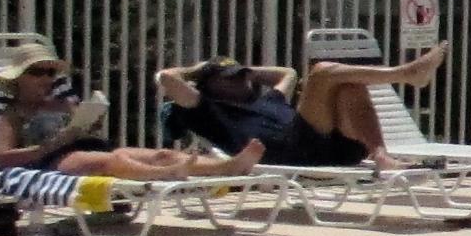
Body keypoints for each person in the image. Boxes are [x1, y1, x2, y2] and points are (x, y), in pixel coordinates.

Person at [156, 43, 447, 171]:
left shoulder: (267, 100)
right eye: (231, 79)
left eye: (242, 76)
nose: (241, 82)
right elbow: (167, 78)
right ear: (210, 85)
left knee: (349, 87)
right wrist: (200, 70)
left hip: (334, 149)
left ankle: (380, 155)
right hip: (291, 152)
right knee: (321, 71)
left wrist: (246, 70)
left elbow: (287, 73)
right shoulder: (208, 110)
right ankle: (404, 74)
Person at [0, 53, 265, 183]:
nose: (47, 79)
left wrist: (89, 121)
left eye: (51, 73)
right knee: (114, 161)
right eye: (38, 73)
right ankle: (165, 176)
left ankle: (228, 166)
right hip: (52, 160)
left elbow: (83, 130)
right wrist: (51, 145)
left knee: (163, 153)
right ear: (19, 80)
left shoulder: (63, 104)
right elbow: (2, 158)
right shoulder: (13, 114)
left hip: (87, 147)